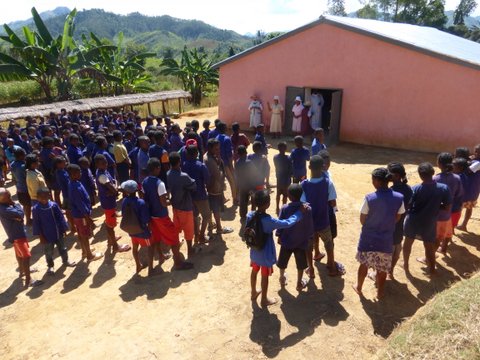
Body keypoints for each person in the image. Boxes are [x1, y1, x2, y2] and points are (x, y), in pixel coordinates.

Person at [352, 168, 404, 299]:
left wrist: (372, 225)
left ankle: (358, 287)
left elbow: (363, 219)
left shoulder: (370, 198)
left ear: (377, 181)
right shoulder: (398, 197)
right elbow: (398, 216)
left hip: (369, 238)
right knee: (382, 268)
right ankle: (380, 292)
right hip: (386, 239)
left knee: (364, 263)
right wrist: (388, 224)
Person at [249, 189, 305, 307]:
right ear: (268, 204)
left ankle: (253, 292)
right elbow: (287, 223)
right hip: (265, 254)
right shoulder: (268, 221)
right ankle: (264, 299)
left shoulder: (250, 215)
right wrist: (299, 213)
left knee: (254, 271)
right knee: (265, 275)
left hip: (254, 252)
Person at [403, 163, 452, 275]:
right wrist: (435, 205)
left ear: (420, 175)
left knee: (408, 242)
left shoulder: (415, 188)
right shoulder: (443, 188)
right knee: (429, 245)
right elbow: (447, 207)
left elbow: (408, 205)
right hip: (429, 221)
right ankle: (432, 270)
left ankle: (405, 264)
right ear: (433, 173)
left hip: (413, 220)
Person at [302, 156, 343, 277]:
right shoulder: (328, 183)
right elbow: (333, 202)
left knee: (308, 247)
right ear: (323, 167)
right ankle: (331, 268)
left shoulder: (304, 184)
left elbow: (303, 204)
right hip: (324, 221)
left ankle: (311, 269)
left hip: (310, 222)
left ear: (309, 167)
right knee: (329, 244)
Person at [0, 188, 42, 287]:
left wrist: (17, 212)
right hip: (17, 235)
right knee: (26, 256)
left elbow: (19, 216)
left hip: (15, 234)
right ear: (2, 199)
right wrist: (16, 206)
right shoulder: (5, 209)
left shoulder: (5, 206)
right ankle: (29, 279)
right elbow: (20, 213)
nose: (11, 198)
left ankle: (22, 271)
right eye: (8, 197)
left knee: (19, 254)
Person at [276, 184, 314, 292]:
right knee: (301, 264)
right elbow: (310, 226)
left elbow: (281, 224)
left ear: (288, 196)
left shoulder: (284, 208)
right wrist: (310, 237)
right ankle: (299, 283)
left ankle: (282, 278)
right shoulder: (307, 209)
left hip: (287, 241)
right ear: (301, 194)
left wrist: (279, 235)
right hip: (301, 242)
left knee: (283, 261)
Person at [32, 188, 76, 275]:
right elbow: (36, 223)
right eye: (41, 197)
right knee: (48, 251)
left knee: (63, 248)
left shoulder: (53, 205)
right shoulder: (36, 209)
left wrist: (64, 229)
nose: (44, 198)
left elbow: (60, 217)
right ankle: (50, 266)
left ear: (49, 196)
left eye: (46, 196)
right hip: (46, 235)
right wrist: (41, 236)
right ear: (37, 198)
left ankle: (66, 260)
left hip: (57, 232)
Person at [94, 154, 131, 253]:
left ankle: (111, 239)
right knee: (111, 224)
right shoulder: (102, 176)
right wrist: (115, 190)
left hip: (109, 200)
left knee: (110, 221)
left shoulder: (103, 171)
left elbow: (113, 184)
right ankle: (115, 246)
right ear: (97, 165)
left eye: (106, 161)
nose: (106, 164)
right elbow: (113, 189)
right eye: (102, 163)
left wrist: (113, 189)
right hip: (108, 202)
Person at [120, 180, 157, 275]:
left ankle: (138, 265)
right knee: (150, 247)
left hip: (132, 231)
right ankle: (151, 269)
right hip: (143, 231)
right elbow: (146, 219)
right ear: (137, 190)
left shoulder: (124, 201)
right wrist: (149, 229)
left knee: (135, 247)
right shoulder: (141, 203)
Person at [68, 164, 103, 262]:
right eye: (78, 172)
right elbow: (80, 204)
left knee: (81, 233)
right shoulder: (75, 187)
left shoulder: (74, 183)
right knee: (85, 235)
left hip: (78, 215)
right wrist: (88, 217)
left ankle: (84, 251)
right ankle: (89, 255)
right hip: (82, 215)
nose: (80, 173)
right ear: (73, 174)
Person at [167, 152, 197, 257]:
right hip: (185, 207)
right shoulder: (183, 176)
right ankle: (190, 249)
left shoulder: (168, 174)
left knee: (176, 228)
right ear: (179, 161)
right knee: (189, 231)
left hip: (175, 207)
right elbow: (194, 186)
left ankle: (176, 248)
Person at [432, 153, 463, 255]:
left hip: (437, 212)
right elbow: (459, 194)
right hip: (450, 210)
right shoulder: (457, 178)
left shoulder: (435, 179)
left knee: (436, 235)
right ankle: (444, 248)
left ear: (439, 164)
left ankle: (429, 257)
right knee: (448, 231)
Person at [387, 162, 413, 280]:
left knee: (388, 250)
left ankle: (382, 273)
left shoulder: (392, 191)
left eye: (389, 173)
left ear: (397, 176)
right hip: (401, 223)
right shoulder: (408, 189)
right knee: (397, 248)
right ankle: (390, 271)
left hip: (391, 224)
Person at [182, 145, 211, 245]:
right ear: (196, 154)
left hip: (190, 196)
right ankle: (202, 236)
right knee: (206, 215)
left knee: (194, 216)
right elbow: (207, 180)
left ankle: (196, 236)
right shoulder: (201, 165)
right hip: (201, 195)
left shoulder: (184, 165)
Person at [204, 139, 233, 235]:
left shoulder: (207, 156)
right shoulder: (210, 161)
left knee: (211, 207)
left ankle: (211, 225)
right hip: (215, 188)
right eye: (216, 149)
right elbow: (218, 175)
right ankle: (219, 228)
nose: (218, 151)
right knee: (216, 208)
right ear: (210, 148)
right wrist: (223, 185)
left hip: (211, 187)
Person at [458, 144, 480, 232]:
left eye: (478, 152)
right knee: (467, 207)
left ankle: (463, 225)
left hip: (470, 189)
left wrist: (465, 161)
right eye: (476, 151)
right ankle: (462, 225)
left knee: (463, 207)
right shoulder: (475, 161)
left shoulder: (478, 163)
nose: (476, 153)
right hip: (470, 188)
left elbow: (468, 171)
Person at [54, 156, 75, 234]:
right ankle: (73, 226)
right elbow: (68, 184)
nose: (65, 162)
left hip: (65, 194)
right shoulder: (62, 174)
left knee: (68, 211)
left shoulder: (60, 171)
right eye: (63, 162)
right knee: (70, 211)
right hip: (68, 194)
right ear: (58, 164)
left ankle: (72, 226)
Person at [216, 122, 236, 203]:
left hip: (218, 163)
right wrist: (231, 166)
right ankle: (235, 199)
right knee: (232, 181)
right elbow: (229, 155)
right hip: (226, 164)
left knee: (221, 181)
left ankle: (222, 199)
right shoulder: (227, 139)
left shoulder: (216, 137)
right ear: (224, 129)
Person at [10, 148, 31, 225]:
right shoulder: (23, 166)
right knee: (28, 205)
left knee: (25, 205)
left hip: (19, 187)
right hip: (25, 188)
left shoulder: (12, 164)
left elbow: (14, 178)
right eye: (24, 154)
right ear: (20, 156)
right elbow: (26, 177)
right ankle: (28, 221)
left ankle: (28, 218)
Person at [234, 145, 256, 220]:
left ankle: (243, 216)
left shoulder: (237, 163)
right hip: (251, 185)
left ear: (238, 154)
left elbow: (237, 175)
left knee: (243, 202)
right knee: (253, 200)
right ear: (246, 153)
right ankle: (253, 214)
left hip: (242, 186)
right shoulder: (249, 162)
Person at [273, 142, 292, 215]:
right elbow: (291, 169)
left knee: (278, 194)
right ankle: (283, 208)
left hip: (279, 179)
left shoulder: (275, 157)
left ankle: (277, 208)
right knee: (285, 195)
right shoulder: (288, 158)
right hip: (286, 180)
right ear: (286, 149)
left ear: (278, 149)